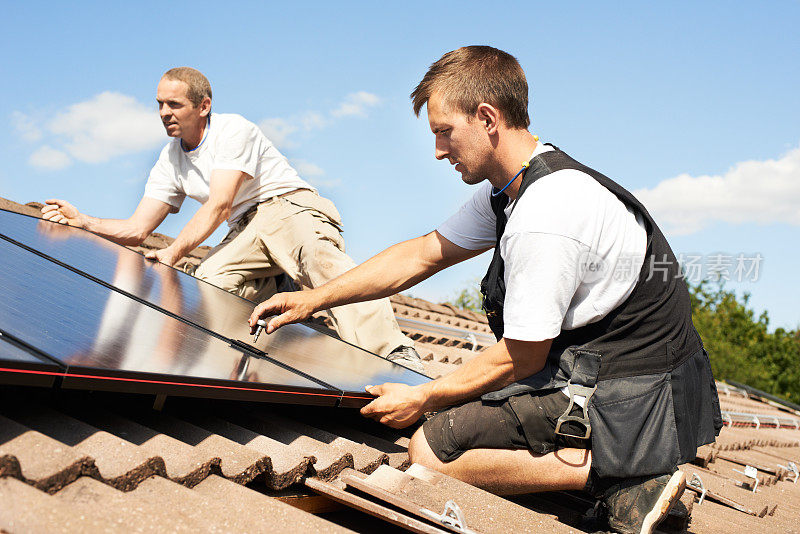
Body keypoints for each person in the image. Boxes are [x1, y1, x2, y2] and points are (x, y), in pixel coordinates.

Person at [249, 46, 722, 533]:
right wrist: (314, 298)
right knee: (462, 402)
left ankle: (616, 470)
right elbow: (423, 254)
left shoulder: (547, 213)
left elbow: (523, 356)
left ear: (487, 117)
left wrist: (425, 397)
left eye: (443, 131)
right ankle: (613, 461)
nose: (438, 151)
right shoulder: (515, 188)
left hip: (631, 394)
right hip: (625, 373)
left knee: (430, 451)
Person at [41, 67, 421, 370]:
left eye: (174, 105)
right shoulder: (170, 159)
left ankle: (394, 356)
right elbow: (138, 228)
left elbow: (220, 203)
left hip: (286, 207)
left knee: (319, 260)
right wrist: (84, 222)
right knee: (209, 282)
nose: (163, 113)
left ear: (203, 106)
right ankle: (277, 308)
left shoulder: (233, 130)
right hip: (246, 229)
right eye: (159, 104)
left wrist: (173, 251)